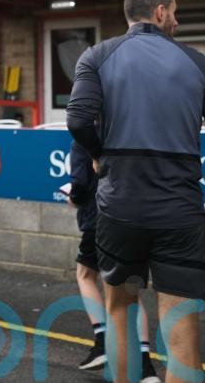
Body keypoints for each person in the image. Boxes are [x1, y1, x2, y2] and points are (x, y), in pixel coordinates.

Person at [67, 0, 205, 383]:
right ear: (160, 12)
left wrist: (98, 155)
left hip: (121, 208)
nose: (177, 21)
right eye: (175, 12)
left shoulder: (97, 56)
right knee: (181, 321)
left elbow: (77, 119)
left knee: (121, 310)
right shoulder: (196, 62)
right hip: (180, 212)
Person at [68, 141, 160, 382]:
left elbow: (79, 182)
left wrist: (75, 198)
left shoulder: (84, 137)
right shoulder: (129, 135)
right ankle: (145, 366)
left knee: (85, 274)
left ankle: (101, 342)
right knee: (131, 291)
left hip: (99, 217)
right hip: (135, 219)